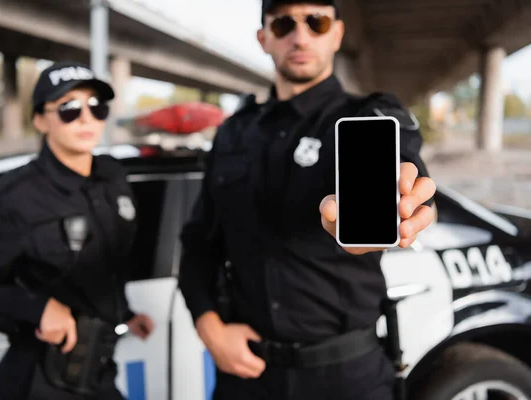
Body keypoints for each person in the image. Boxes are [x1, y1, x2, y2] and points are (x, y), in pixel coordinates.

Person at [178, 1, 437, 399]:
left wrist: (408, 197)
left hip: (347, 377)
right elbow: (198, 241)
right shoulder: (233, 132)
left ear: (336, 34)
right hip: (247, 375)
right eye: (283, 25)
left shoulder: (367, 116)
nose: (300, 37)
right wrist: (208, 327)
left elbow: (403, 163)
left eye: (316, 22)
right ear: (264, 39)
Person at [0, 61, 155, 400]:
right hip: (40, 381)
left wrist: (123, 314)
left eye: (97, 107)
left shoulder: (112, 178)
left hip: (99, 370)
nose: (85, 118)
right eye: (68, 108)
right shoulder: (17, 197)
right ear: (40, 120)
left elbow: (103, 264)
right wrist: (36, 308)